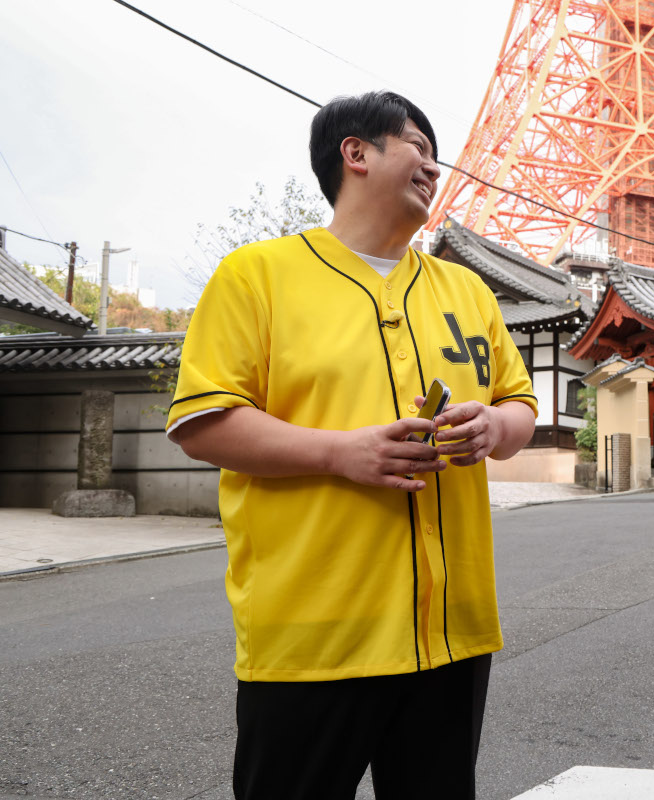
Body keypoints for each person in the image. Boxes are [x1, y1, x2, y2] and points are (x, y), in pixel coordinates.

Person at [167, 91, 536, 799]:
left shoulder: (468, 291)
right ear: (355, 153)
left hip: (453, 633)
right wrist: (342, 452)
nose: (434, 166)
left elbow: (518, 404)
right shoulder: (258, 275)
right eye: (417, 147)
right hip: (313, 637)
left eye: (437, 154)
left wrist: (494, 427)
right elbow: (202, 422)